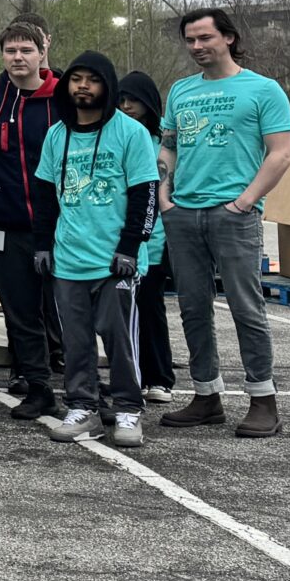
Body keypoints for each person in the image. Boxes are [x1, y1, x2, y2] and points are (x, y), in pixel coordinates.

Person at [160, 8, 290, 438]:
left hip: (233, 215)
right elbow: (169, 147)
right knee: (193, 309)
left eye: (205, 38)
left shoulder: (263, 89)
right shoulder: (180, 91)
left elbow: (280, 153)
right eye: (190, 40)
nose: (197, 47)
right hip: (183, 214)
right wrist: (165, 197)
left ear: (229, 38)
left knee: (245, 308)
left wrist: (245, 201)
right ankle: (205, 396)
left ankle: (262, 399)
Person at [30, 50, 157, 449]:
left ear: (107, 85)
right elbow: (45, 196)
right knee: (76, 342)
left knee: (120, 341)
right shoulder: (56, 135)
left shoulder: (130, 132)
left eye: (92, 79)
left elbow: (145, 194)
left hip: (114, 263)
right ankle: (83, 408)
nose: (82, 86)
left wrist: (130, 249)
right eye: (76, 79)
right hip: (69, 260)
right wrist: (42, 245)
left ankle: (127, 410)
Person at [0, 21, 66, 420]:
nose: (18, 58)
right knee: (21, 313)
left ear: (42, 52)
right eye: (10, 51)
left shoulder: (66, 97)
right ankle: (39, 388)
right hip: (5, 226)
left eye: (26, 50)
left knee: (73, 312)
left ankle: (87, 391)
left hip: (63, 227)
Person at [115, 71, 179, 401]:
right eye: (121, 100)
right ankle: (133, 376)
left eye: (134, 101)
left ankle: (160, 377)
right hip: (119, 239)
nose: (127, 107)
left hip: (155, 241)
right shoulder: (115, 137)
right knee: (123, 314)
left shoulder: (163, 142)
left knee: (150, 309)